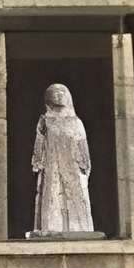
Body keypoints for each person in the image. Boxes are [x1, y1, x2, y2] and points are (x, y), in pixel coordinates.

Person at [32, 81, 94, 234]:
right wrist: (38, 162)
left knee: (76, 195)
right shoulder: (44, 121)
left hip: (73, 165)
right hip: (52, 165)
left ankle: (78, 228)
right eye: (54, 91)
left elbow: (82, 143)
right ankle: (52, 228)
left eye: (62, 91)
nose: (58, 94)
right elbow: (39, 143)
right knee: (52, 192)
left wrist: (85, 164)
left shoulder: (76, 122)